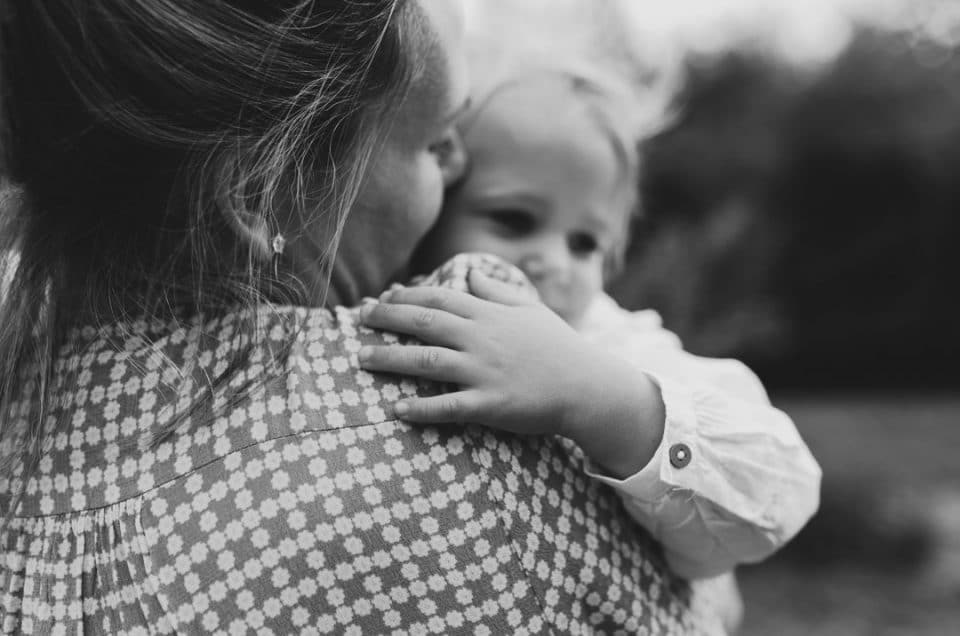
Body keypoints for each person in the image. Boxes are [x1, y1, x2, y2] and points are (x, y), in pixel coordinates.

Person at [0, 1, 726, 633]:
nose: (456, 168)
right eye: (435, 140)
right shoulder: (458, 424)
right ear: (259, 191)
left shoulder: (28, 404)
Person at [357, 48, 821, 613]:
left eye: (585, 242)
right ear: (436, 200)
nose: (553, 258)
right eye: (514, 219)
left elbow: (780, 487)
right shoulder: (387, 304)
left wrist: (600, 398)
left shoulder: (612, 343)